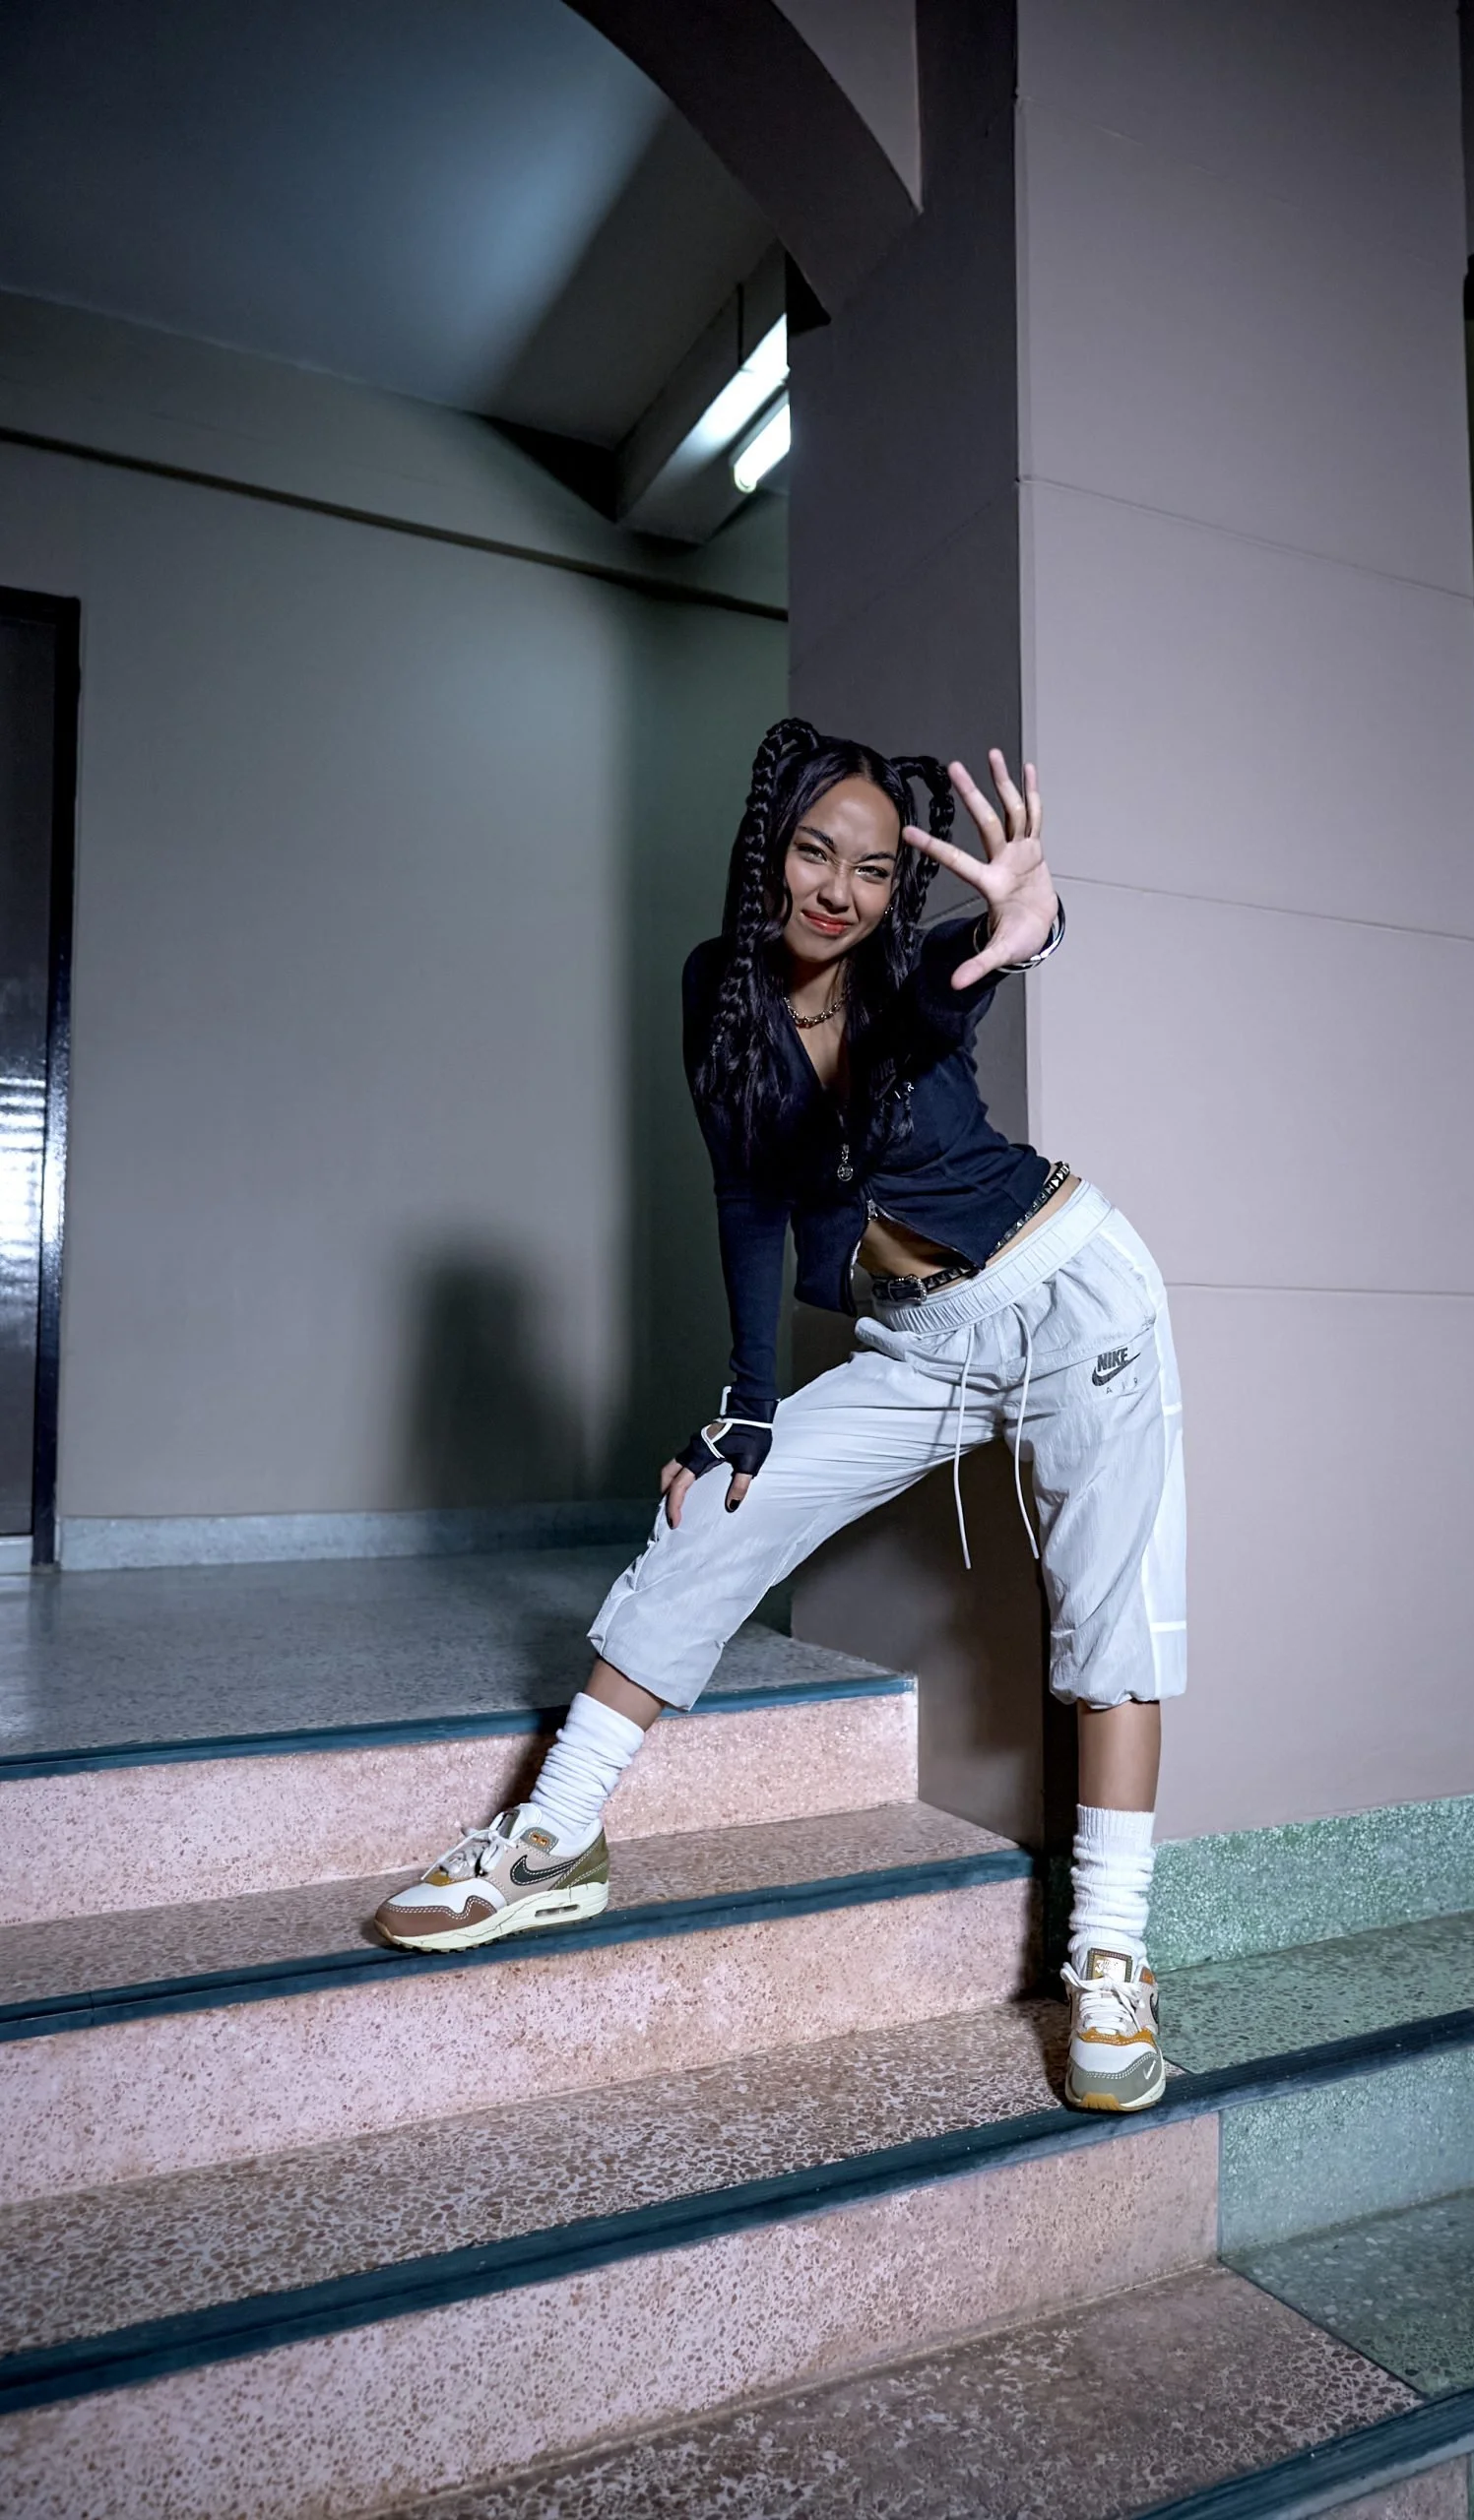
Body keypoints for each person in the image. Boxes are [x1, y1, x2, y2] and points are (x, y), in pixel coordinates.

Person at [374, 719, 1186, 2113]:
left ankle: (1107, 1956)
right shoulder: (717, 989)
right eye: (817, 852)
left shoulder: (915, 974)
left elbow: (958, 988)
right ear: (771, 849)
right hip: (917, 1342)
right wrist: (746, 1406)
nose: (839, 891)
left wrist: (1033, 932)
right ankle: (554, 1839)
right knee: (704, 1513)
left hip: (1072, 1302)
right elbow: (746, 1196)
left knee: (1111, 1623)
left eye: (873, 871)